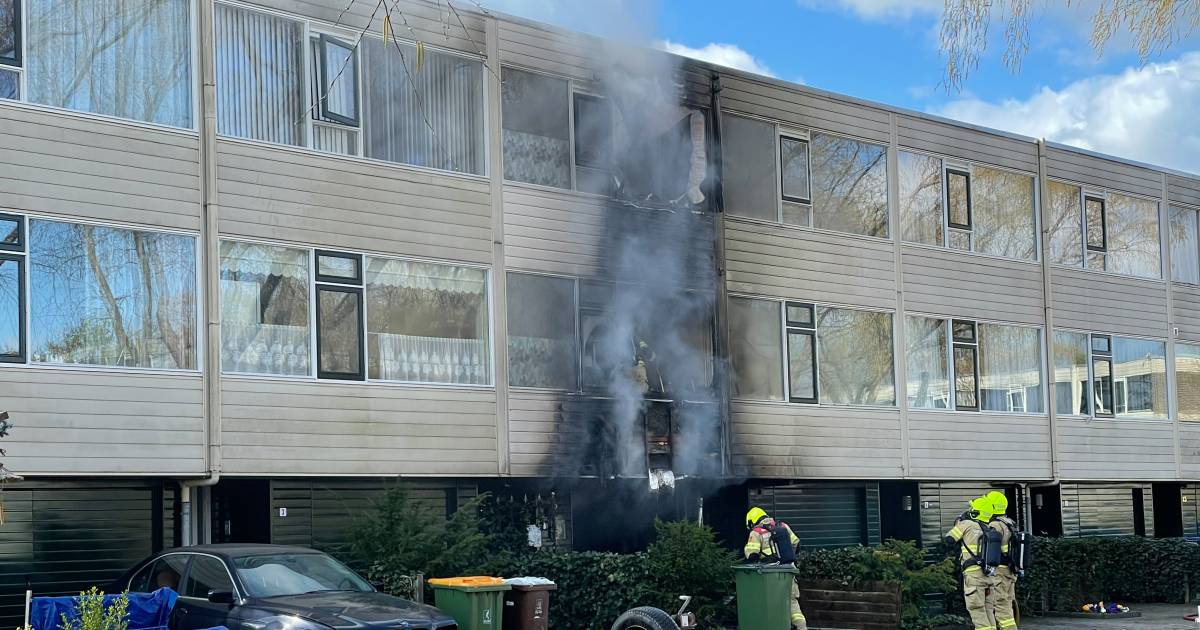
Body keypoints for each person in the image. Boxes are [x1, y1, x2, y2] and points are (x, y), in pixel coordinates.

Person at [744, 506, 806, 630]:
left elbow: (752, 555)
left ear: (752, 521)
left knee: (771, 605)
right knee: (792, 603)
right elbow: (797, 544)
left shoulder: (756, 532)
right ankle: (801, 627)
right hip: (789, 571)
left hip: (769, 576)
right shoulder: (783, 526)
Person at [945, 497, 998, 630]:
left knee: (977, 611)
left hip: (974, 576)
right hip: (990, 576)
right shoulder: (990, 528)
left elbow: (949, 539)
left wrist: (958, 524)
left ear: (975, 512)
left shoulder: (967, 524)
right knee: (988, 611)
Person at [987, 491, 1020, 630]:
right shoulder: (1009, 522)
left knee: (1001, 606)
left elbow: (991, 549)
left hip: (1000, 571)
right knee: (1008, 603)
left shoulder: (995, 525)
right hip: (1010, 570)